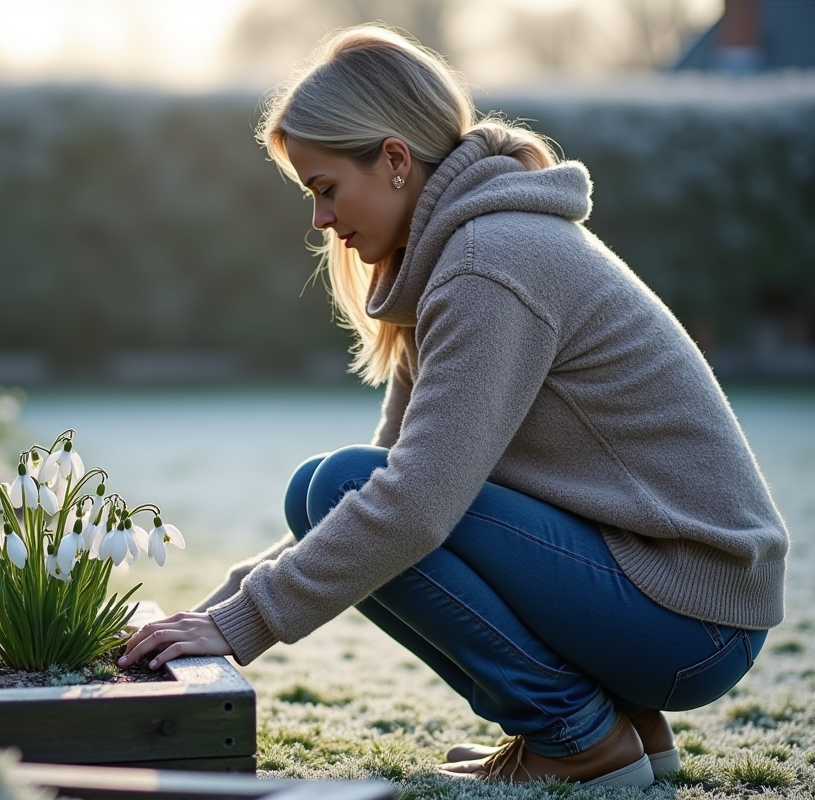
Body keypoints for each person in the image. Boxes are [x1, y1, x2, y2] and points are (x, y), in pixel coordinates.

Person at [119, 25, 788, 788]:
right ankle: (623, 729)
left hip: (689, 617)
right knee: (326, 488)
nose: (320, 221)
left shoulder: (487, 263)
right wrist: (206, 616)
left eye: (325, 188)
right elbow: (385, 481)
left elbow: (410, 506)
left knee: (338, 488)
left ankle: (576, 739)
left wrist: (237, 626)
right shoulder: (461, 256)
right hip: (677, 609)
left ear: (396, 161)